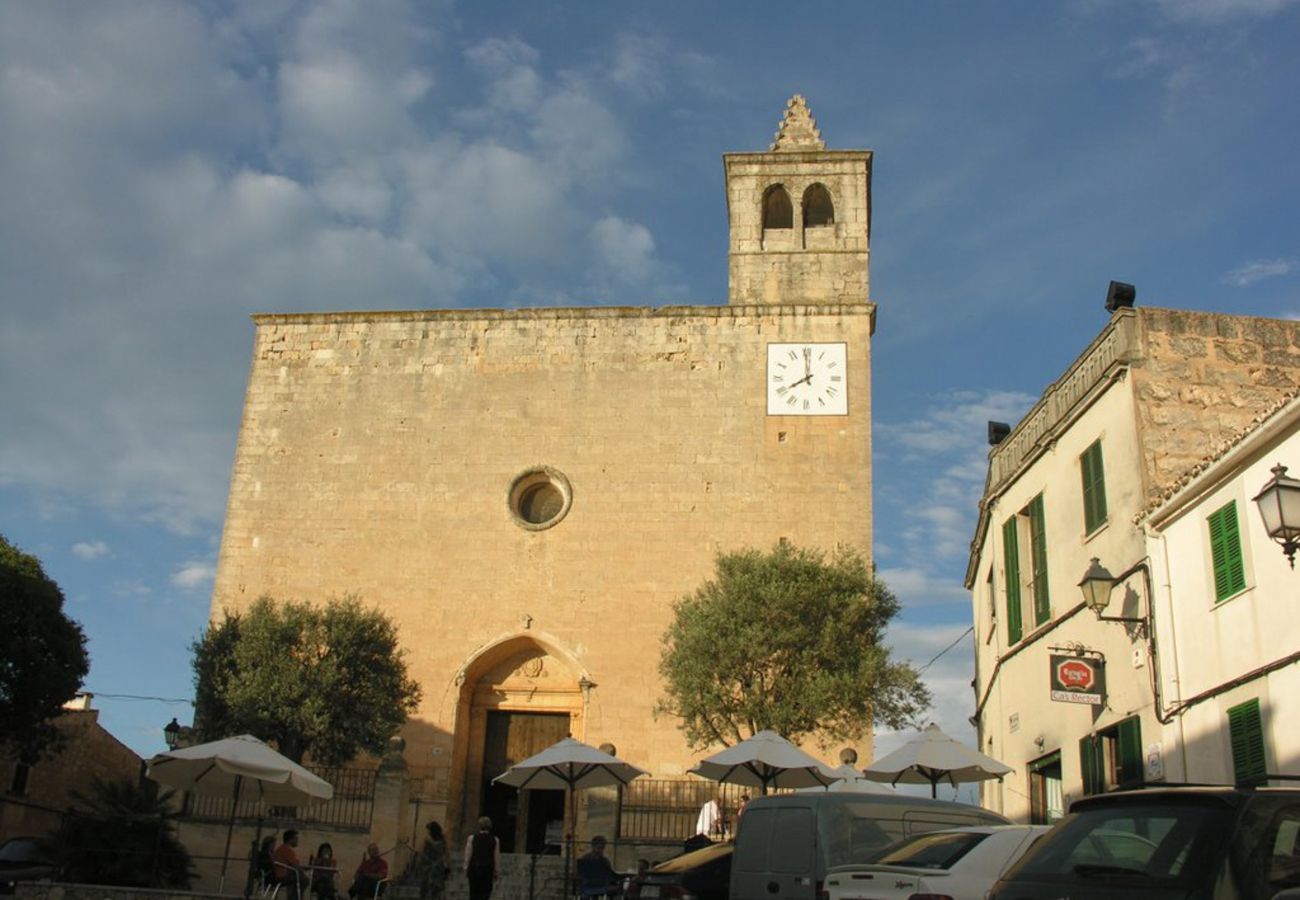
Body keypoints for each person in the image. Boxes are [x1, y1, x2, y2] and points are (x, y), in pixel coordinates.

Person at [463, 816, 500, 900]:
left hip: (474, 868)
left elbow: (468, 853)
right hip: (488, 869)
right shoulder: (495, 840)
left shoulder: (472, 838)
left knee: (473, 893)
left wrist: (466, 867)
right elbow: (496, 857)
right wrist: (496, 871)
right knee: (485, 894)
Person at [417, 821, 449, 900]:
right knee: (435, 890)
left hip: (429, 867)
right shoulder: (443, 841)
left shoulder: (428, 840)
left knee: (427, 889)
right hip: (437, 867)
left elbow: (423, 853)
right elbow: (445, 853)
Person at [272, 830, 306, 900]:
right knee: (304, 880)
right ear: (290, 839)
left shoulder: (280, 848)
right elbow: (295, 865)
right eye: (296, 839)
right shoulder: (288, 850)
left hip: (277, 874)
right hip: (282, 876)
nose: (297, 841)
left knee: (298, 877)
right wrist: (302, 870)